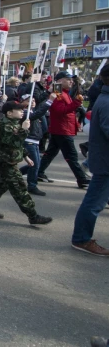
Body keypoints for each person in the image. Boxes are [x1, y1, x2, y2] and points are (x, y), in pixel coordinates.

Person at [0, 102, 53, 224]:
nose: (22, 112)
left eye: (22, 110)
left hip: (9, 159)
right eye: (18, 110)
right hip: (6, 161)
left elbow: (17, 145)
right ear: (9, 113)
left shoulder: (13, 124)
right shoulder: (5, 126)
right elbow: (12, 142)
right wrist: (24, 130)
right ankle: (33, 216)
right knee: (19, 188)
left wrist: (25, 156)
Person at [71, 64, 109, 256]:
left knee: (95, 200)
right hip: (105, 162)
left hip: (102, 159)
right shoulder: (107, 102)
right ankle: (82, 239)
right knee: (94, 203)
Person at [36, 71, 90, 188]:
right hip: (62, 129)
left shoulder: (64, 92)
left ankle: (38, 172)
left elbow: (67, 112)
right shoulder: (58, 92)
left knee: (50, 153)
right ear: (60, 80)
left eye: (72, 79)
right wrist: (76, 103)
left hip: (62, 128)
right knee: (71, 156)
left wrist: (76, 122)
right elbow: (60, 111)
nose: (71, 81)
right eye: (68, 79)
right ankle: (81, 179)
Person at [19, 93, 55, 196]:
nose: (32, 102)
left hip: (35, 140)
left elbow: (42, 123)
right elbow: (36, 115)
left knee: (35, 164)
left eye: (34, 100)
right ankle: (32, 185)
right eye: (29, 100)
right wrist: (49, 101)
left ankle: (14, 175)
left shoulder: (32, 111)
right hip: (28, 140)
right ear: (22, 102)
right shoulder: (24, 113)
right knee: (35, 164)